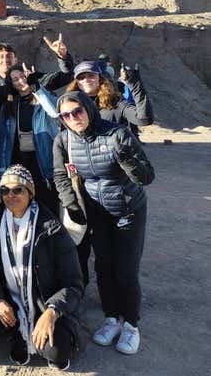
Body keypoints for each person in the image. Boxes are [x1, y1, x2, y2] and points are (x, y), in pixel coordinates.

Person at [53, 91, 154, 355]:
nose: (73, 117)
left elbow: (146, 176)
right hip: (96, 213)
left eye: (77, 111)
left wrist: (128, 162)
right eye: (66, 114)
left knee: (126, 269)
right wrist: (71, 205)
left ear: (88, 108)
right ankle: (111, 318)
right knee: (104, 267)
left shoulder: (117, 134)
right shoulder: (64, 140)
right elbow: (60, 175)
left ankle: (131, 325)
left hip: (127, 209)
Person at [0, 165, 83, 370]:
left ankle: (44, 328)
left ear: (30, 192)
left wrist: (52, 311)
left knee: (56, 352)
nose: (11, 195)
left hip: (46, 302)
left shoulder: (51, 228)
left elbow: (74, 283)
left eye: (18, 189)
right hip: (12, 301)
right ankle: (18, 333)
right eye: (4, 190)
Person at [0, 64, 61, 215]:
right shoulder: (9, 106)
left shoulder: (43, 97)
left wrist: (36, 86)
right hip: (18, 160)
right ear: (11, 84)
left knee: (47, 205)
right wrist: (1, 169)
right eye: (15, 79)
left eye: (22, 76)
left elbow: (54, 113)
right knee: (22, 206)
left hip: (43, 159)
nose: (20, 81)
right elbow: (3, 138)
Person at [0, 35, 74, 102]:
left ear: (16, 60)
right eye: (1, 56)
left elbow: (65, 76)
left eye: (9, 56)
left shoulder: (32, 79)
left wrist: (63, 57)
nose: (5, 59)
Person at [66, 61, 153, 130]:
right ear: (76, 83)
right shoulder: (70, 106)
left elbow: (144, 120)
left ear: (99, 79)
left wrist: (136, 86)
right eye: (81, 78)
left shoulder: (115, 103)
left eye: (91, 75)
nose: (86, 80)